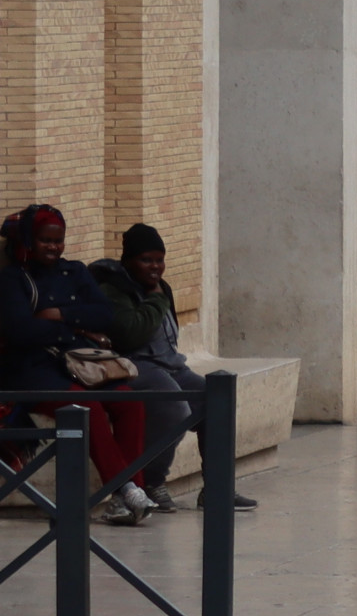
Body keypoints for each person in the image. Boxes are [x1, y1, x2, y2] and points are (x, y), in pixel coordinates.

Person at [1, 206, 151, 518]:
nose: (53, 247)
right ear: (28, 240)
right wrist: (76, 329)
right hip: (33, 370)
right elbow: (20, 330)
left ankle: (128, 498)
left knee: (129, 402)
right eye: (45, 240)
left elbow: (105, 315)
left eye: (58, 241)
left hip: (78, 366)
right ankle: (124, 490)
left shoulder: (75, 272)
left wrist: (59, 315)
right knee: (86, 407)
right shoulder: (13, 279)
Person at [101, 225, 246, 514]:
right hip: (134, 365)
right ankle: (151, 481)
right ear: (128, 260)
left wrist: (158, 296)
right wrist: (156, 299)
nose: (155, 267)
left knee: (215, 398)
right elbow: (131, 333)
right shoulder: (114, 289)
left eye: (159, 260)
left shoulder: (160, 287)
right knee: (174, 408)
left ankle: (217, 488)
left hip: (171, 365)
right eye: (146, 260)